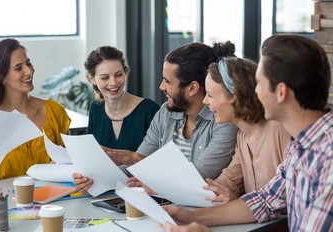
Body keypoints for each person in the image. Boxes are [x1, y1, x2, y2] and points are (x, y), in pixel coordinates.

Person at [164, 34, 333, 231]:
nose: (254, 91)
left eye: (259, 83)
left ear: (281, 92)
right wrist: (191, 216)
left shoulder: (327, 158)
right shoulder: (300, 148)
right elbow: (266, 201)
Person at [74, 42, 239, 194]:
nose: (161, 87)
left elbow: (198, 177)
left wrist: (135, 161)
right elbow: (136, 170)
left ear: (192, 88)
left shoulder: (223, 122)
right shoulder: (165, 113)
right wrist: (93, 180)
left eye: (167, 81)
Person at [0, 38, 71, 184]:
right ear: (1, 77)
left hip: (53, 204)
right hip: (9, 204)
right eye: (18, 68)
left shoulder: (54, 111)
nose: (29, 70)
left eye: (28, 63)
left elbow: (71, 167)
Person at [202, 57, 290, 204]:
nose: (205, 101)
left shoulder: (279, 130)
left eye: (210, 95)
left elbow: (292, 197)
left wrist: (236, 202)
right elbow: (228, 180)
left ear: (235, 96)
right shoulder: (242, 136)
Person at [84, 46, 159, 151]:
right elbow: (92, 153)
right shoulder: (96, 108)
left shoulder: (149, 110)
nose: (113, 83)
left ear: (125, 72)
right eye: (105, 77)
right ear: (91, 79)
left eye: (119, 75)